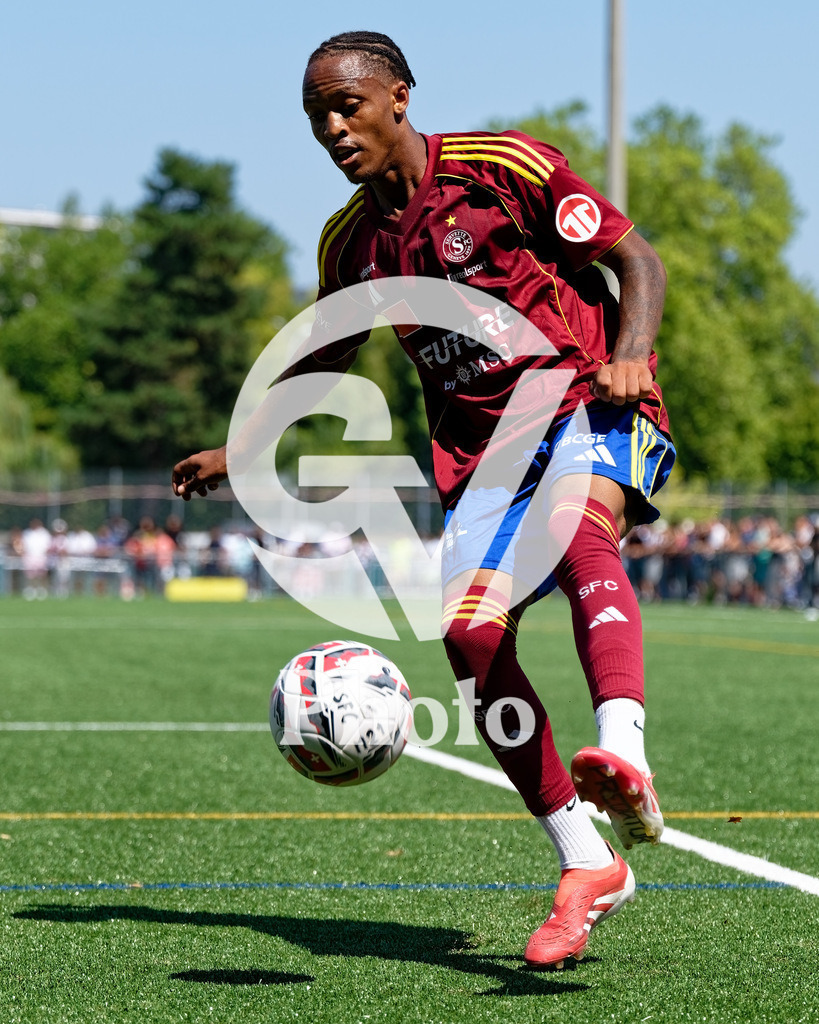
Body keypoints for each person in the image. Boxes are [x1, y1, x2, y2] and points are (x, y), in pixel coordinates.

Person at [172, 30, 675, 970]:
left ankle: (624, 751)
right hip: (482, 457)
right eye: (315, 114)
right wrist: (242, 449)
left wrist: (631, 353)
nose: (331, 127)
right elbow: (324, 352)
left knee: (577, 534)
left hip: (582, 399)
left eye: (346, 105)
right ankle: (586, 863)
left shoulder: (500, 168)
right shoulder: (353, 241)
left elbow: (635, 261)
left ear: (397, 97)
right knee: (469, 638)